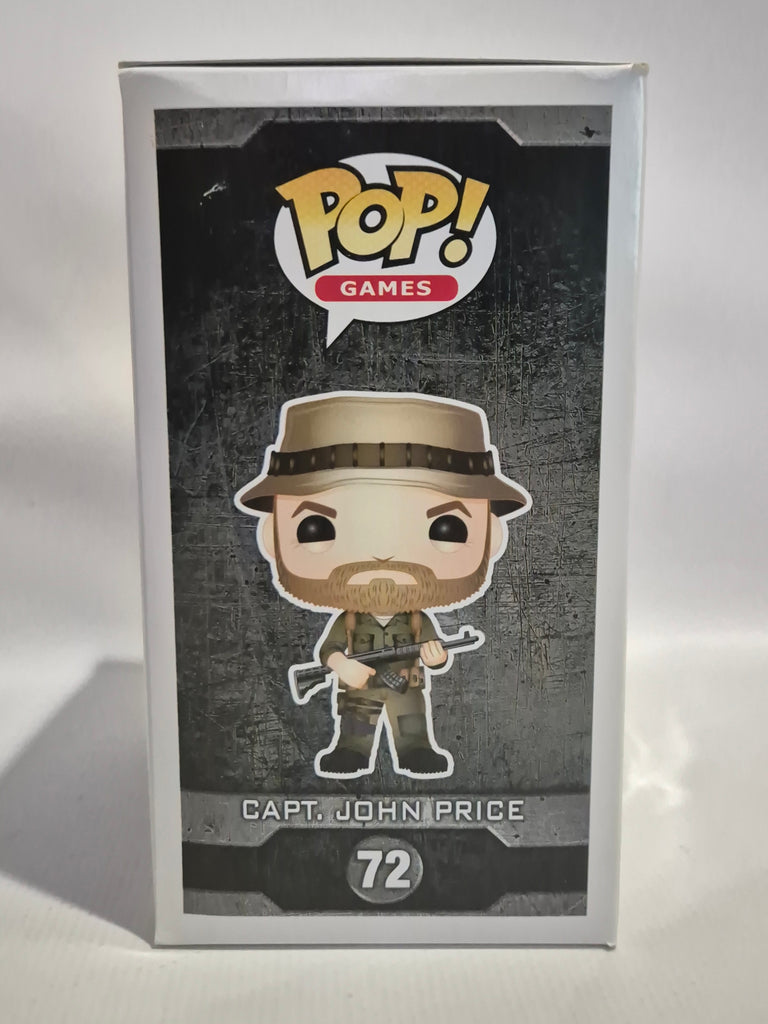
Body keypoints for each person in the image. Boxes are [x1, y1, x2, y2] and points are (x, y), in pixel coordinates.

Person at [235, 391, 531, 778]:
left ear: (491, 535)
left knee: (412, 729)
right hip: (359, 689)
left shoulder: (417, 620)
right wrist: (341, 665)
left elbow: (433, 651)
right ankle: (350, 753)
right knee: (354, 732)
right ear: (271, 535)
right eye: (316, 527)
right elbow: (329, 648)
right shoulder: (349, 619)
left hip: (406, 687)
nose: (382, 555)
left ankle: (416, 753)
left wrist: (436, 657)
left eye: (447, 527)